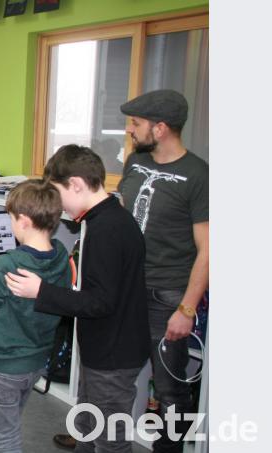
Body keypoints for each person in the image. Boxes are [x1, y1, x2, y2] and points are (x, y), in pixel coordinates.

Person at [6, 145, 151, 452]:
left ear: (76, 184)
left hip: (112, 356)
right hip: (106, 347)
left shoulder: (106, 230)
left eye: (58, 194)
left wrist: (41, 291)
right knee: (87, 426)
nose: (57, 207)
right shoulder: (109, 219)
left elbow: (99, 302)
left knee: (110, 441)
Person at [118, 89, 209, 453]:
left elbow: (208, 250)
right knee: (115, 374)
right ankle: (100, 438)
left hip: (166, 295)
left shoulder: (198, 175)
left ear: (160, 128)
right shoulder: (134, 161)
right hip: (125, 288)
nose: (130, 130)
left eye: (136, 123)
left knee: (170, 388)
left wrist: (186, 309)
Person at [0, 179, 72, 453]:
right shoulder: (61, 255)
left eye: (10, 218)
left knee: (6, 437)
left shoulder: (8, 264)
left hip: (3, 364)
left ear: (23, 221)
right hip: (36, 360)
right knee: (10, 421)